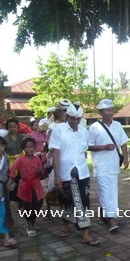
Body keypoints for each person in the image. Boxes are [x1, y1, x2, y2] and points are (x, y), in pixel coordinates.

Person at [49, 104, 100, 246]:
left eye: (78, 118)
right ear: (67, 116)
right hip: (65, 171)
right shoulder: (58, 131)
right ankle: (66, 224)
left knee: (83, 201)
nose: (75, 121)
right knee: (67, 199)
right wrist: (57, 176)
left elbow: (85, 150)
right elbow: (55, 153)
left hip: (82, 172)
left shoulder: (84, 131)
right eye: (72, 118)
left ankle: (85, 232)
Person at [88, 99, 129, 233]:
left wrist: (126, 157)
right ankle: (111, 219)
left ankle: (103, 214)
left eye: (111, 109)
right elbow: (89, 146)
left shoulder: (117, 125)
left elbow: (123, 142)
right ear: (100, 112)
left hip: (113, 164)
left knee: (112, 190)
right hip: (101, 165)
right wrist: (103, 147)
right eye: (107, 110)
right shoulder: (94, 127)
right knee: (105, 190)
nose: (110, 112)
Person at [8, 137, 44, 236]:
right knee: (26, 206)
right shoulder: (20, 159)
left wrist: (39, 171)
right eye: (27, 147)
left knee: (38, 204)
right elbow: (11, 169)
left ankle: (32, 222)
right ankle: (29, 225)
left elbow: (41, 172)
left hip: (36, 185)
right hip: (24, 186)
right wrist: (10, 180)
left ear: (34, 147)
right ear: (23, 148)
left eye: (31, 147)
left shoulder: (37, 159)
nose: (29, 149)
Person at [0, 136, 18, 247]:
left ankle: (3, 236)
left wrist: (10, 181)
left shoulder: (6, 158)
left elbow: (11, 173)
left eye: (2, 145)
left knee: (2, 212)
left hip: (3, 189)